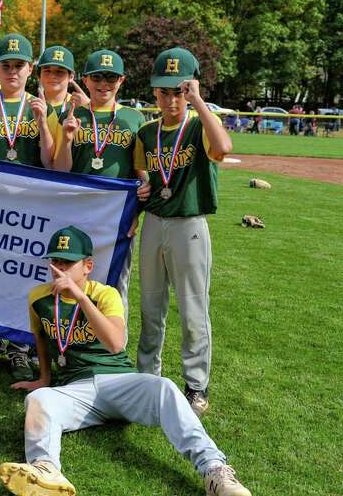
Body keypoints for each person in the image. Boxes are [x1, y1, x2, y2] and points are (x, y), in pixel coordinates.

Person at [0, 225, 252, 496]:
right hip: (76, 390)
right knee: (38, 400)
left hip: (119, 381)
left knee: (164, 387)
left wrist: (81, 297)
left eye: (68, 262)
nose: (59, 269)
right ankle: (45, 470)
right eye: (55, 261)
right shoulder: (39, 297)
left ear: (87, 266)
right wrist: (44, 379)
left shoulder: (105, 294)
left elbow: (115, 342)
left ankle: (214, 471)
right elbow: (41, 340)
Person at [133, 47, 232, 417]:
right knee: (150, 306)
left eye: (179, 91)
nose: (172, 99)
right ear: (154, 93)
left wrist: (199, 103)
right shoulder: (146, 132)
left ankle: (196, 385)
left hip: (189, 224)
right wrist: (141, 188)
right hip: (155, 223)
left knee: (193, 308)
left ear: (191, 89)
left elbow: (223, 148)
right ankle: (147, 379)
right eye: (165, 92)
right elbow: (141, 178)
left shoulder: (199, 126)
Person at [0, 33, 53, 380]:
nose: (12, 71)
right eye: (6, 66)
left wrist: (44, 121)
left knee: (23, 278)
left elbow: (49, 161)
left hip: (30, 210)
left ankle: (19, 349)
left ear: (30, 69)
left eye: (19, 65)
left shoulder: (41, 106)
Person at [50, 49, 150, 317]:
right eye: (97, 77)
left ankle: (114, 349)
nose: (104, 83)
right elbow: (62, 170)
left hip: (117, 217)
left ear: (122, 80)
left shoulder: (134, 118)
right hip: (77, 212)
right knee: (73, 279)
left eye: (111, 77)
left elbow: (141, 177)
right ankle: (72, 342)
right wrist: (68, 139)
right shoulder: (72, 116)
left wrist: (136, 214)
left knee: (115, 285)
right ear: (85, 79)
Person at [35, 45, 88, 120]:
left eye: (59, 72)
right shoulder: (29, 106)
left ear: (71, 76)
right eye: (47, 71)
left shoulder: (80, 105)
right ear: (39, 76)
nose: (52, 76)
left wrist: (90, 109)